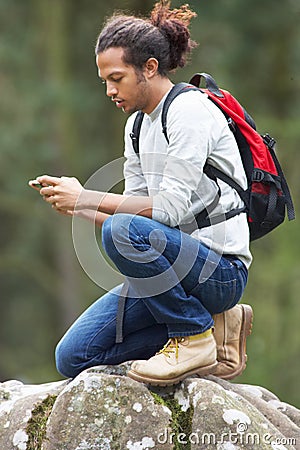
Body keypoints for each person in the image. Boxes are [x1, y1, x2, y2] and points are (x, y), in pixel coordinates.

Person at [29, 0, 253, 386]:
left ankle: (193, 334)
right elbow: (136, 220)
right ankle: (215, 330)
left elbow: (164, 211)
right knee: (73, 356)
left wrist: (87, 197)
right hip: (173, 271)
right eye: (104, 81)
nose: (109, 90)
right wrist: (77, 207)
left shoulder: (190, 112)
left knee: (117, 233)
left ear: (149, 68)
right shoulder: (136, 126)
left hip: (220, 270)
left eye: (117, 78)